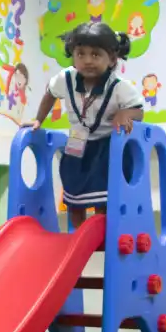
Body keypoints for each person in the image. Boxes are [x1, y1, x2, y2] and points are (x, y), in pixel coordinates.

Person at [27, 23, 144, 229]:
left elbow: (138, 110)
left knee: (102, 187)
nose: (88, 60)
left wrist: (125, 113)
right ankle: (78, 232)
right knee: (72, 182)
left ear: (112, 59)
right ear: (73, 55)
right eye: (80, 54)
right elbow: (50, 95)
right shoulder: (66, 78)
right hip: (78, 136)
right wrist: (38, 120)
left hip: (106, 139)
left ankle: (101, 228)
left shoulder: (119, 87)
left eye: (96, 55)